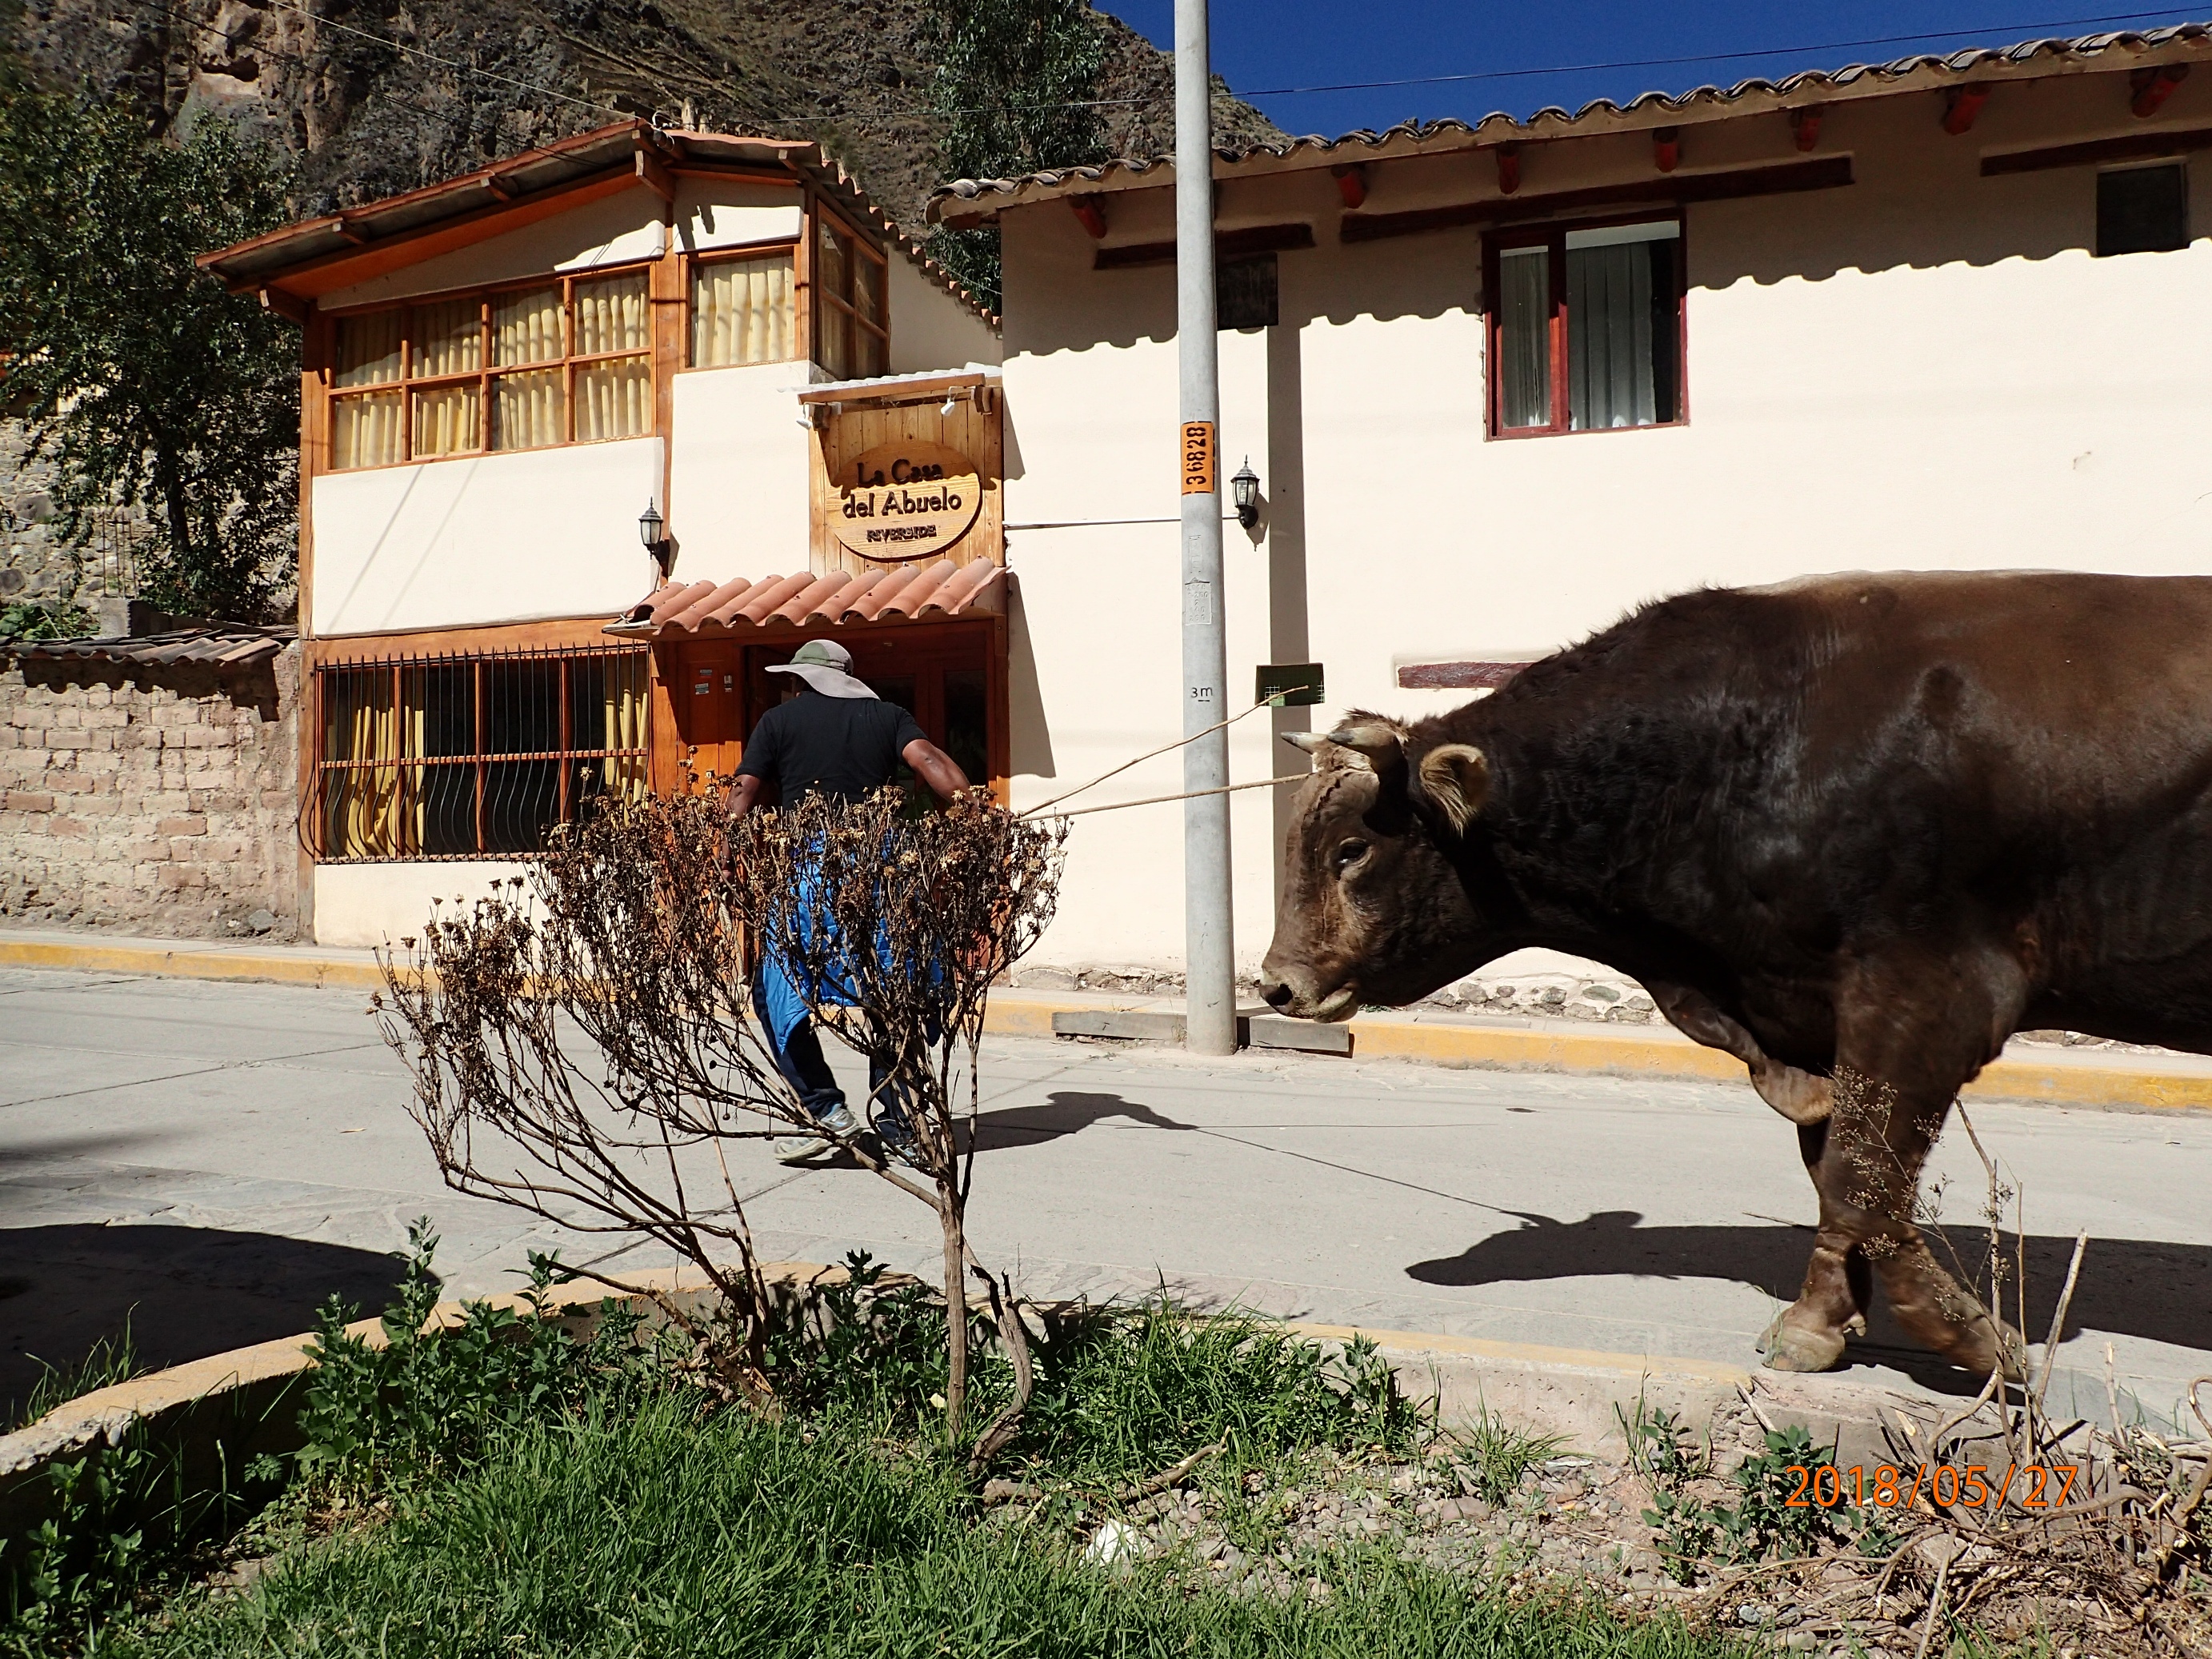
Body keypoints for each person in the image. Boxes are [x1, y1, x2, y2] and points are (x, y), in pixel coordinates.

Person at [727, 637, 970, 1165]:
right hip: (881, 869)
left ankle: (825, 1110)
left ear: (802, 680)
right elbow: (928, 759)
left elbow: (745, 788)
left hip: (811, 873)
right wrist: (975, 815)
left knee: (776, 993)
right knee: (892, 990)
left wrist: (728, 846)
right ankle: (900, 1120)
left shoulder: (778, 721)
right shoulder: (888, 716)